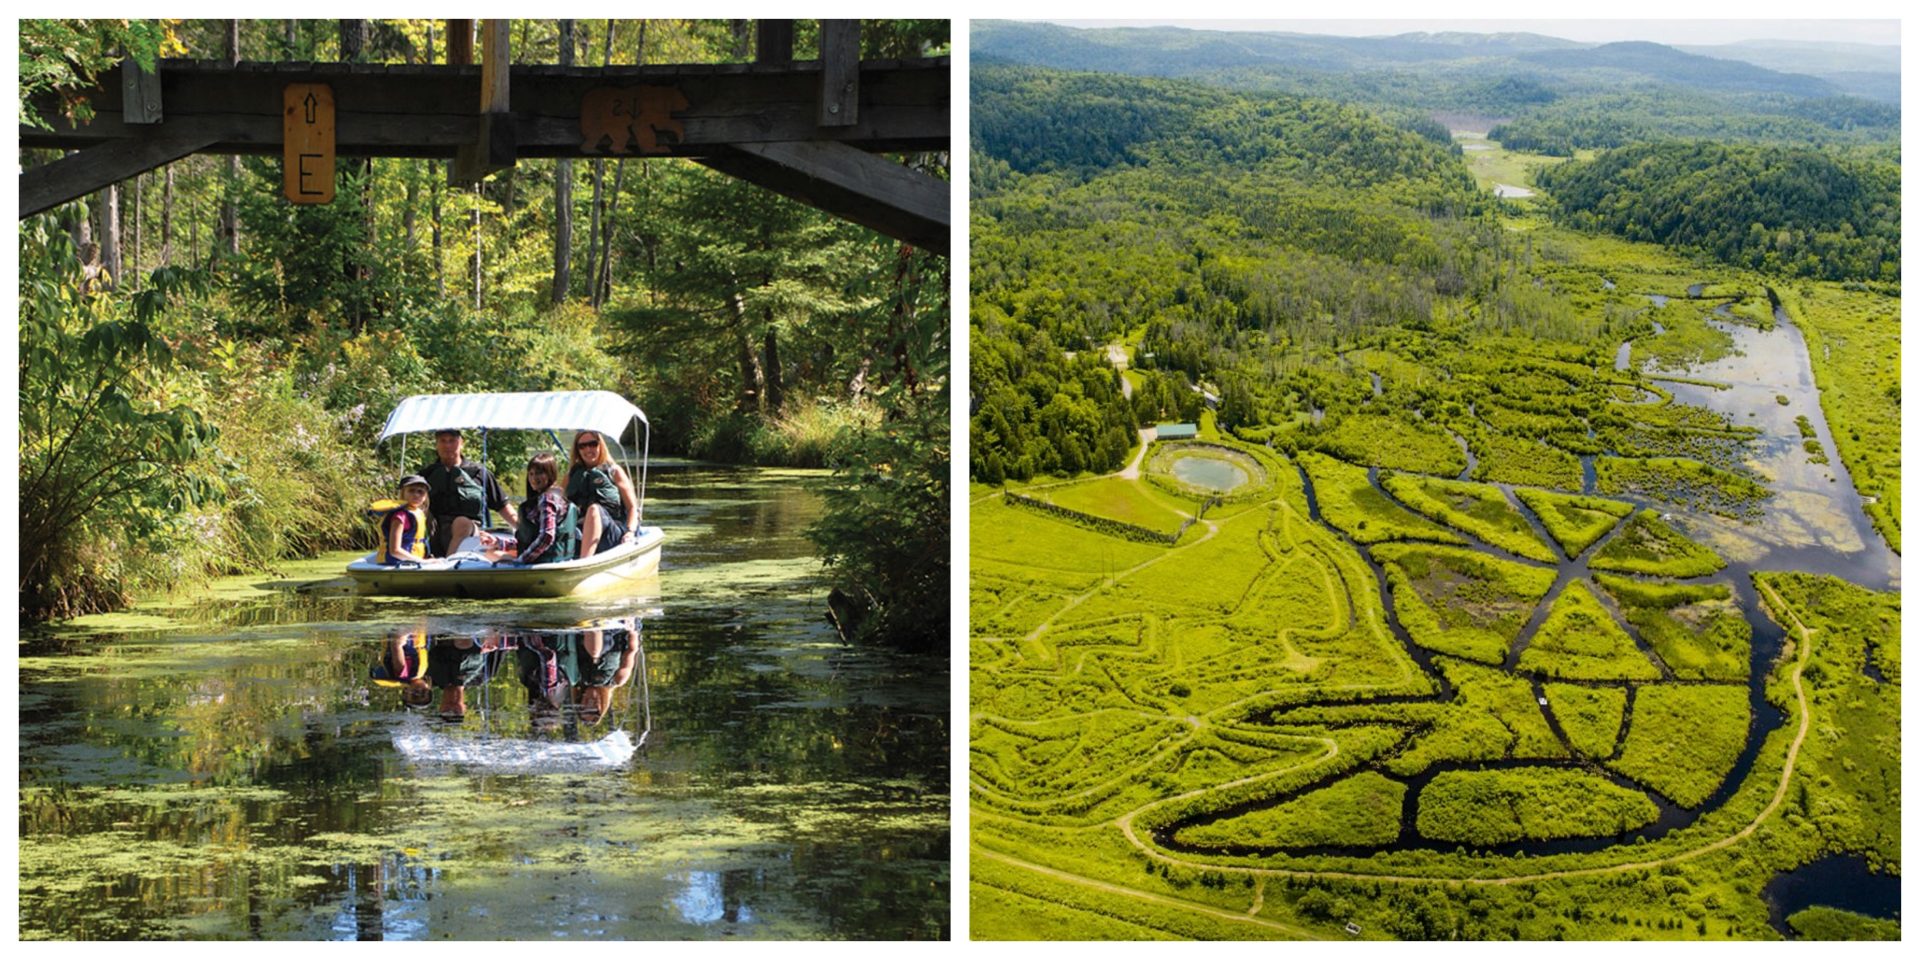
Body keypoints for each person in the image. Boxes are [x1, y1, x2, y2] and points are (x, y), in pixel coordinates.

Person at [418, 429, 518, 557]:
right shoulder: (426, 475)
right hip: (434, 531)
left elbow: (503, 506)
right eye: (443, 441)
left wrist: (525, 530)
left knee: (461, 522)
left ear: (461, 443)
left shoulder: (479, 473)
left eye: (452, 441)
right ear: (436, 444)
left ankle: (449, 566)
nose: (447, 445)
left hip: (469, 532)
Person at [480, 453, 578, 565]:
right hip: (559, 559)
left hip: (543, 563)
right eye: (531, 474)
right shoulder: (559, 496)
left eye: (539, 473)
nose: (533, 478)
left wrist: (521, 561)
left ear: (550, 474)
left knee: (491, 554)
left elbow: (547, 537)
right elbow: (531, 540)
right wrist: (499, 542)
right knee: (494, 551)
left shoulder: (547, 499)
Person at [566, 430, 640, 559]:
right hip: (581, 532)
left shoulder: (614, 471)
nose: (588, 449)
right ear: (577, 450)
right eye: (582, 446)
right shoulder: (572, 475)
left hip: (611, 534)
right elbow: (556, 499)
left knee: (594, 509)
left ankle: (584, 563)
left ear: (600, 445)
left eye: (592, 444)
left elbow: (633, 508)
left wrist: (630, 532)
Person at [375, 475, 432, 566]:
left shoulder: (418, 513)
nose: (416, 494)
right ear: (403, 493)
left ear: (425, 496)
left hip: (413, 561)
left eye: (420, 492)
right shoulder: (400, 516)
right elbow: (395, 551)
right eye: (411, 490)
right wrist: (423, 562)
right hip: (395, 563)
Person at [370, 630, 434, 708]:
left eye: (415, 695)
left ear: (406, 692)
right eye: (424, 692)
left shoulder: (403, 674)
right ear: (429, 688)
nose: (420, 691)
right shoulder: (417, 673)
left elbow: (397, 643)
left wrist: (409, 626)